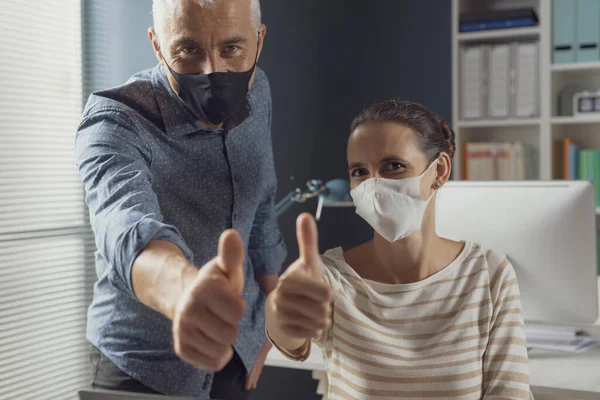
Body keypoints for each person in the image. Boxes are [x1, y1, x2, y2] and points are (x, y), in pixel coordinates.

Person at [75, 0, 285, 398]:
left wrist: (270, 321)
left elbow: (262, 206)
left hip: (235, 351)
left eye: (231, 49)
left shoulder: (260, 92)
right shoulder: (113, 120)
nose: (213, 71)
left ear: (259, 42)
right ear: (157, 45)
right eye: (189, 50)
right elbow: (126, 225)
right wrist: (184, 290)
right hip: (142, 363)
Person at [266, 100, 533, 399]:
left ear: (439, 171)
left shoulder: (489, 274)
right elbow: (288, 336)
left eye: (393, 166)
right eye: (359, 171)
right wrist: (280, 309)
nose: (374, 184)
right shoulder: (331, 278)